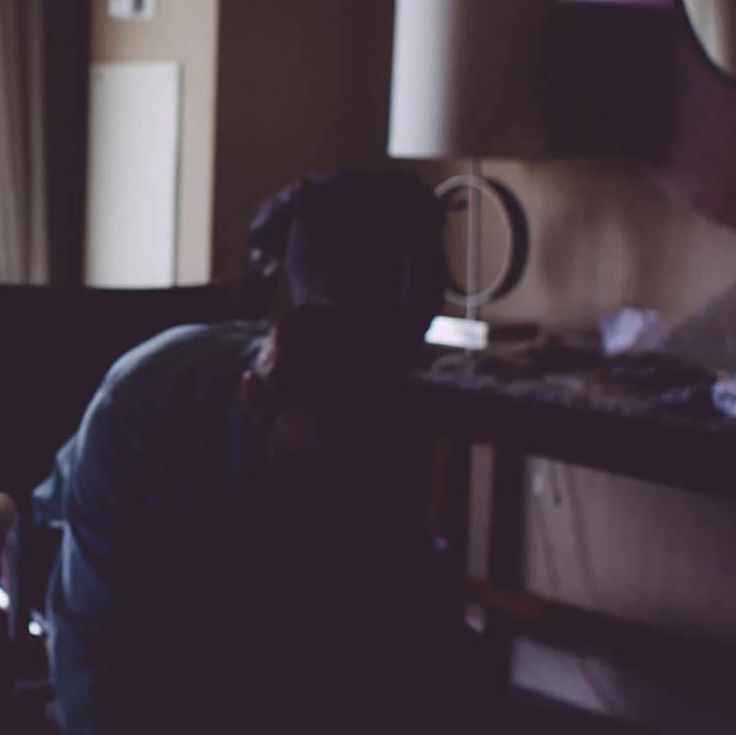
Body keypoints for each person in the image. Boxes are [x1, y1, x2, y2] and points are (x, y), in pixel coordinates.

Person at [35, 170, 490, 733]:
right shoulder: (137, 409)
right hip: (101, 542)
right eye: (307, 469)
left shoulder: (379, 435)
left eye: (344, 475)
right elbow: (91, 644)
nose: (325, 495)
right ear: (256, 398)